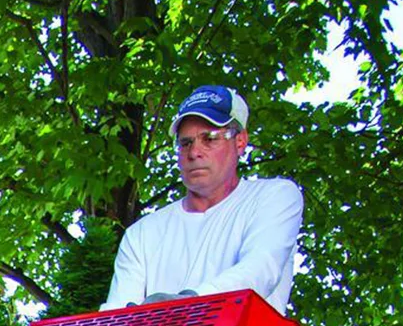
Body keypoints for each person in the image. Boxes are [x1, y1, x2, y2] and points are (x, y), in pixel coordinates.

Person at [102, 84, 303, 314]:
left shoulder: (274, 198)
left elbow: (260, 270)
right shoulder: (141, 234)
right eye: (186, 143)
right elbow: (117, 318)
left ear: (240, 141)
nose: (194, 152)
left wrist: (185, 306)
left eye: (209, 138)